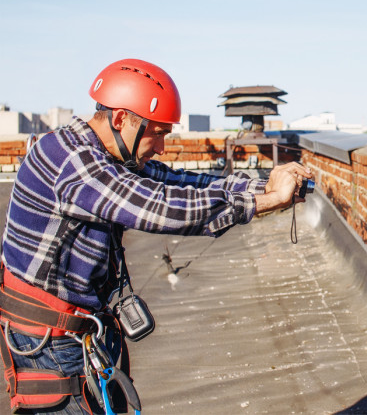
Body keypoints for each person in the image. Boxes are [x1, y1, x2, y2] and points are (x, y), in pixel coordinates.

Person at [0, 58, 312, 414]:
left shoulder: (104, 155)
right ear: (120, 119)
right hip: (50, 346)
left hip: (78, 331)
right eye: (158, 132)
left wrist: (263, 185)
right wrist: (266, 201)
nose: (162, 146)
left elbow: (177, 182)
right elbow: (161, 207)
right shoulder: (71, 160)